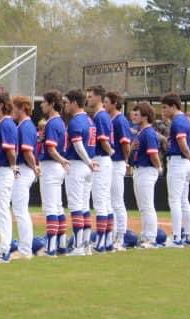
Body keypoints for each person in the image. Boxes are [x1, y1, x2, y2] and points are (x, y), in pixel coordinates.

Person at [161, 92, 190, 247]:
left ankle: (176, 237)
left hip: (178, 162)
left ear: (174, 106)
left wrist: (189, 157)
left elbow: (182, 141)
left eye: (165, 107)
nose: (163, 111)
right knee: (183, 201)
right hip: (183, 163)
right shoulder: (184, 120)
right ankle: (188, 235)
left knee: (175, 200)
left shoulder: (178, 121)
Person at [62, 89, 95, 256]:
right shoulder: (89, 120)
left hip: (78, 164)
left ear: (75, 102)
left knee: (75, 206)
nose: (65, 105)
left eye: (67, 102)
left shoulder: (75, 121)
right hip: (87, 167)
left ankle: (78, 246)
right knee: (84, 206)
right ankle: (86, 243)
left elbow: (78, 145)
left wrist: (88, 161)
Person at [0, 91, 18, 263]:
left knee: (2, 210)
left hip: (4, 170)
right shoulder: (2, 123)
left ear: (1, 105)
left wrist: (13, 166)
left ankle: (5, 249)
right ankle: (4, 245)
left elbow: (10, 149)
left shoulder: (6, 123)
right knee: (1, 209)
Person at [38, 90, 69, 256]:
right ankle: (61, 244)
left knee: (51, 207)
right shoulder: (61, 122)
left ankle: (50, 248)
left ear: (51, 104)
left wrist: (61, 160)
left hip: (51, 166)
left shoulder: (52, 122)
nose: (42, 105)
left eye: (44, 102)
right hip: (58, 167)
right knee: (58, 207)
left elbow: (50, 148)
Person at [85, 85, 114, 253]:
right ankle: (107, 241)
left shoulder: (100, 116)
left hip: (101, 159)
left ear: (98, 98)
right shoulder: (101, 115)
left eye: (90, 96)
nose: (88, 99)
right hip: (103, 160)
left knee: (100, 201)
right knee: (105, 202)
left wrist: (110, 152)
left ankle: (101, 243)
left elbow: (103, 141)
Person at [131, 102, 162, 248]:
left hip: (147, 170)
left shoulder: (148, 132)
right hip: (139, 170)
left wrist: (158, 167)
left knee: (147, 205)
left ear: (145, 116)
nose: (133, 116)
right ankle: (145, 235)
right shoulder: (141, 132)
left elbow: (153, 154)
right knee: (142, 206)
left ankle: (151, 237)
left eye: (137, 114)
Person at [10, 96, 37, 259]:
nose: (12, 111)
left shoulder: (25, 126)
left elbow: (27, 152)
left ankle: (25, 249)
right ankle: (25, 247)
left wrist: (34, 168)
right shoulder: (24, 125)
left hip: (25, 169)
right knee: (19, 210)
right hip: (26, 169)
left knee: (20, 210)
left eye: (14, 108)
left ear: (21, 108)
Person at [106, 91, 133, 251]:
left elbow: (126, 144)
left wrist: (125, 160)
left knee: (116, 200)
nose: (105, 104)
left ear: (115, 103)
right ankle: (113, 233)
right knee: (110, 200)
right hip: (112, 163)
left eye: (108, 102)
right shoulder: (111, 119)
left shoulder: (120, 120)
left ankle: (120, 236)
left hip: (117, 162)